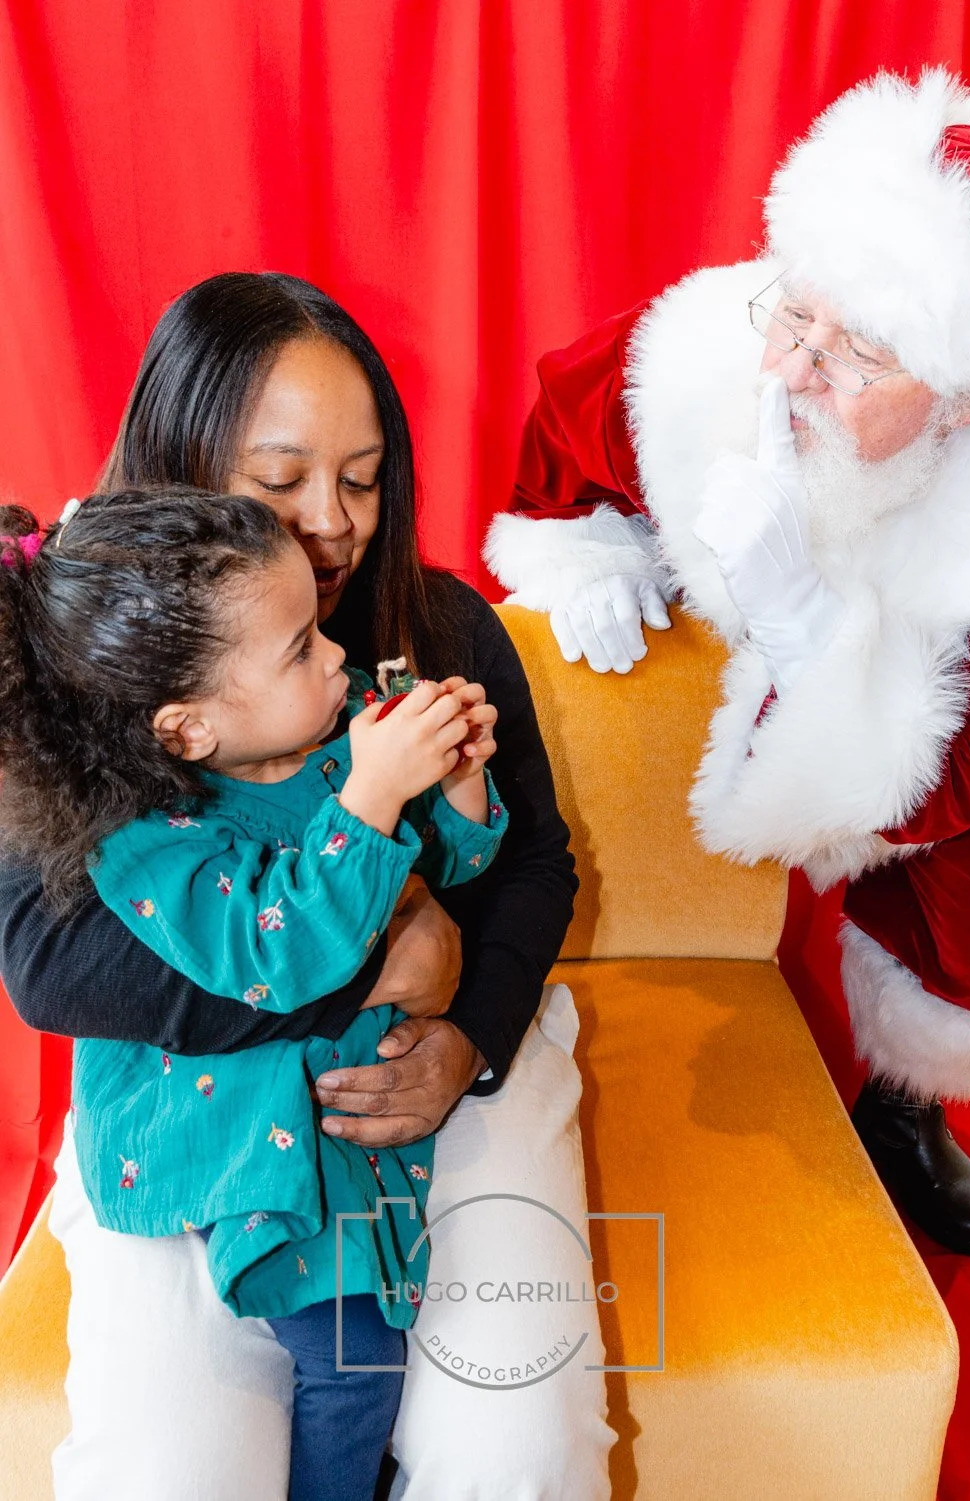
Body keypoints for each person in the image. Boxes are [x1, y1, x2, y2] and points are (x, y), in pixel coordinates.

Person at [0, 275, 615, 1499]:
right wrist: (383, 946)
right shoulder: (94, 664)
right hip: (193, 1100)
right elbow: (48, 960)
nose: (331, 524)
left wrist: (466, 1033)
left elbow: (535, 863)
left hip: (443, 1061)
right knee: (167, 1474)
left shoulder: (435, 627)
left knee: (515, 1452)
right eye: (277, 482)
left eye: (362, 474)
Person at [486, 69, 970, 1259]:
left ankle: (906, 1096)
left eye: (859, 356)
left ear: (966, 404)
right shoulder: (701, 356)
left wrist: (803, 620)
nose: (792, 374)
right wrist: (588, 557)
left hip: (935, 732)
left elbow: (963, 773)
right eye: (796, 318)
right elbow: (561, 442)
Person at [0, 483, 507, 1501]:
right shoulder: (145, 840)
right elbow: (273, 954)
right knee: (355, 1364)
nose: (334, 655)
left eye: (319, 631)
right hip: (228, 1131)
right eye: (299, 648)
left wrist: (454, 788)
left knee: (376, 1355)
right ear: (183, 730)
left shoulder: (319, 732)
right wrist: (370, 794)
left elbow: (441, 869)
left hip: (323, 1102)